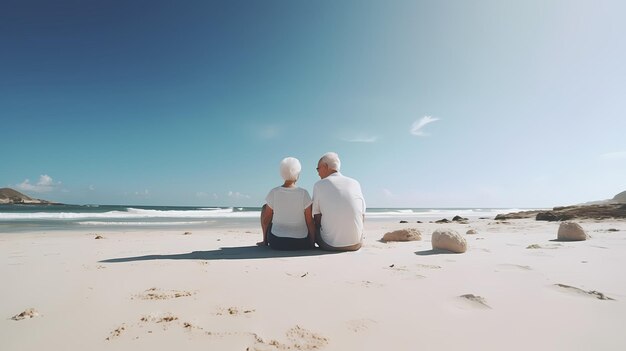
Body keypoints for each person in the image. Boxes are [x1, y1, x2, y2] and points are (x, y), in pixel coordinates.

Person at [257, 157, 316, 250]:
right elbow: (309, 222)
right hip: (301, 242)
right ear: (297, 173)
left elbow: (266, 220)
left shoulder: (274, 192)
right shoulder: (304, 193)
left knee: (265, 208)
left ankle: (264, 241)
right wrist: (312, 243)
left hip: (277, 242)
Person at [312, 152, 365, 251]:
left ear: (325, 166)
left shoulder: (319, 185)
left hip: (330, 245)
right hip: (357, 244)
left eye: (318, 169)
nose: (317, 173)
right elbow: (362, 214)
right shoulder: (355, 183)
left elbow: (317, 217)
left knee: (311, 223)